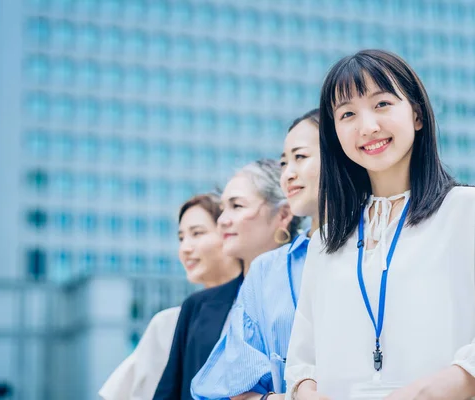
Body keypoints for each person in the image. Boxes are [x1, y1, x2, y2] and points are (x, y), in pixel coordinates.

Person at [285, 50, 475, 400]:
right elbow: (301, 363)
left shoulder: (468, 210)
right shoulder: (326, 240)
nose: (367, 126)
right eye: (347, 114)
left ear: (416, 114)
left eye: (382, 104)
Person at [191, 110, 321, 400]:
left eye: (300, 157)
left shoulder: (379, 249)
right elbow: (235, 388)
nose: (288, 172)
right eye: (285, 161)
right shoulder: (265, 272)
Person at [154, 159, 300, 400]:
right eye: (223, 209)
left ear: (283, 214)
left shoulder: (306, 293)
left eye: (237, 206)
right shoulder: (197, 307)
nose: (222, 220)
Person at [99, 193, 242, 400]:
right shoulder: (167, 323)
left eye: (197, 233)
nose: (185, 248)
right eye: (181, 238)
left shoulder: (256, 311)